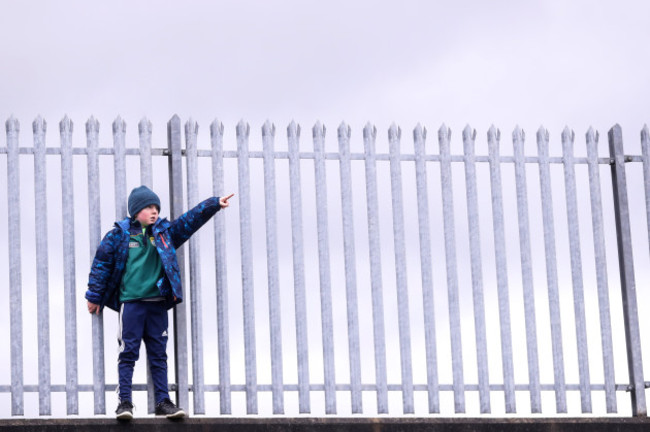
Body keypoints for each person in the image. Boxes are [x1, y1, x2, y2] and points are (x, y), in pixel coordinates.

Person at [85, 185, 234, 420]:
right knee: (128, 352)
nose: (154, 211)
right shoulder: (118, 235)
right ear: (135, 211)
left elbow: (189, 221)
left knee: (158, 355)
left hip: (157, 304)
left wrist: (213, 204)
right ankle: (125, 402)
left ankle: (163, 402)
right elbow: (101, 265)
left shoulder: (165, 234)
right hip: (131, 304)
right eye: (148, 207)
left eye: (156, 207)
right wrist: (94, 296)